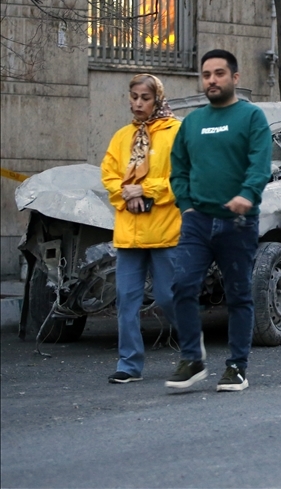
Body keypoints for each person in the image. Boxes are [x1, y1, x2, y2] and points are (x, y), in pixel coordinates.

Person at [166, 50, 271, 392]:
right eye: (207, 74)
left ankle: (237, 367)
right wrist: (185, 204)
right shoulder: (192, 123)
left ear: (235, 78)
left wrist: (247, 194)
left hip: (237, 223)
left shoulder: (252, 117)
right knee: (182, 286)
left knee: (239, 294)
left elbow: (260, 163)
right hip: (198, 221)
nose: (212, 80)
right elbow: (178, 168)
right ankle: (192, 359)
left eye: (219, 74)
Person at [100, 74, 180, 383]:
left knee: (169, 297)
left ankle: (192, 353)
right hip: (129, 233)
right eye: (133, 96)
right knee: (126, 300)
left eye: (144, 98)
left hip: (165, 231)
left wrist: (146, 190)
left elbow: (182, 177)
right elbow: (109, 175)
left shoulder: (176, 133)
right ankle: (129, 365)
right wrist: (126, 195)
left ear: (157, 99)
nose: (137, 103)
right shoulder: (122, 137)